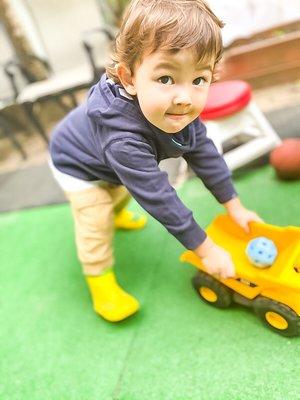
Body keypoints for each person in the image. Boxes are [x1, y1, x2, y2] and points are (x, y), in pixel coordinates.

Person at [49, 0, 262, 323]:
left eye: (199, 79)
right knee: (96, 216)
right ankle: (100, 282)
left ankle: (117, 211)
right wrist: (205, 249)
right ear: (129, 78)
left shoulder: (178, 109)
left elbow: (203, 152)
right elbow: (159, 196)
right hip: (75, 164)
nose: (184, 97)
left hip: (108, 162)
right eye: (165, 78)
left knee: (121, 191)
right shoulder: (123, 139)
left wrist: (235, 206)